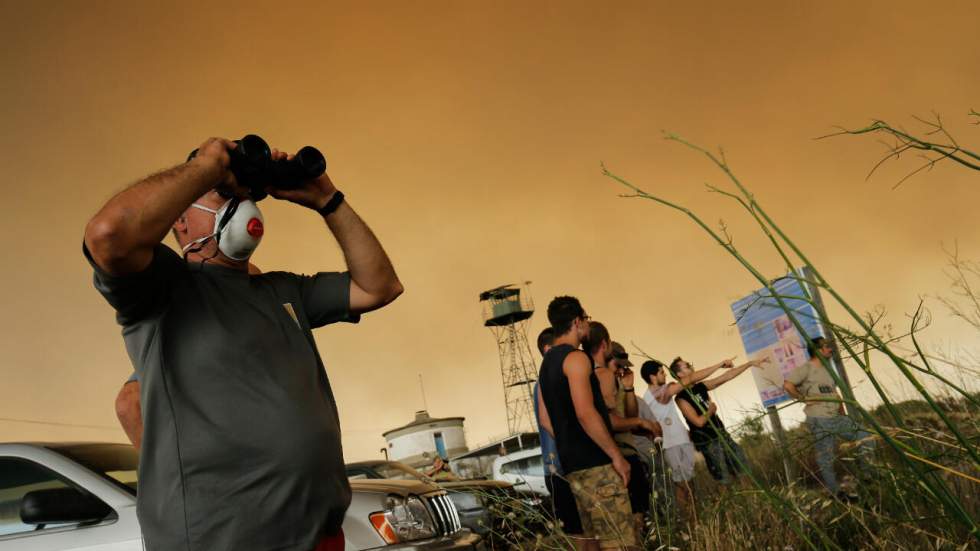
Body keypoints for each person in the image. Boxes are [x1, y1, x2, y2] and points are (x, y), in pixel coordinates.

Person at [84, 137, 403, 551]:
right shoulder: (161, 289)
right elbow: (108, 235)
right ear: (179, 221)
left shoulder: (284, 290)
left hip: (318, 536)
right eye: (223, 196)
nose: (242, 206)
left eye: (246, 196)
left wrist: (328, 199)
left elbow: (380, 286)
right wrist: (208, 166)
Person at [537, 297, 636, 550]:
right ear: (577, 322)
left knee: (593, 544)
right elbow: (585, 412)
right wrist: (616, 455)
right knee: (620, 543)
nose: (588, 325)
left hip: (573, 468)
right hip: (597, 465)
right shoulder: (577, 359)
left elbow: (545, 419)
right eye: (586, 319)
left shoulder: (546, 365)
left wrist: (571, 442)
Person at [588, 330, 659, 541]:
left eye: (623, 367)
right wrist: (640, 422)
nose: (621, 370)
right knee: (630, 519)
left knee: (640, 513)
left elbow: (630, 415)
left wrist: (628, 389)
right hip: (619, 455)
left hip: (630, 452)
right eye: (618, 365)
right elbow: (611, 421)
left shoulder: (616, 382)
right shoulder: (602, 378)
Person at [784, 337, 874, 499]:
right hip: (819, 418)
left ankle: (867, 477)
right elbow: (788, 385)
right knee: (826, 456)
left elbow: (835, 394)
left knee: (865, 436)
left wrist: (842, 412)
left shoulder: (829, 370)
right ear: (817, 350)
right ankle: (836, 493)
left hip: (836, 417)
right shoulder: (806, 368)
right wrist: (803, 399)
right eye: (826, 347)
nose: (830, 349)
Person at [667, 356, 764, 485]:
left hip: (722, 434)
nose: (691, 366)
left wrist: (750, 363)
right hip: (708, 441)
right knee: (724, 481)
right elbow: (698, 422)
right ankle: (729, 503)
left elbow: (726, 376)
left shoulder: (700, 386)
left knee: (743, 470)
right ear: (679, 374)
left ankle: (753, 500)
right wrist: (710, 411)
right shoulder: (680, 397)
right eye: (686, 366)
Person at [532, 327, 586, 546]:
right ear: (548, 349)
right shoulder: (545, 383)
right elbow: (546, 422)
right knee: (579, 533)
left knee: (585, 531)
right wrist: (572, 446)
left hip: (563, 466)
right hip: (561, 467)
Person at [639, 359, 705, 522]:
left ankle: (695, 520)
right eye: (661, 372)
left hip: (682, 440)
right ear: (652, 377)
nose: (665, 374)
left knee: (689, 482)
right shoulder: (653, 395)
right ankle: (690, 521)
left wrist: (685, 431)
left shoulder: (664, 389)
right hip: (670, 445)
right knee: (682, 485)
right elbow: (690, 380)